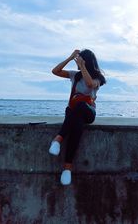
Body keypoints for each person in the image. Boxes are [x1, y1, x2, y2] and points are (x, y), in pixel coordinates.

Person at [49, 49, 106, 185]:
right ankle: (67, 168)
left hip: (88, 112)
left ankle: (58, 139)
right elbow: (55, 71)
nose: (78, 63)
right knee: (77, 125)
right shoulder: (75, 75)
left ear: (87, 62)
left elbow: (90, 84)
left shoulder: (98, 78)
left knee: (80, 106)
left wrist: (82, 67)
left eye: (81, 60)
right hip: (74, 113)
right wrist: (69, 58)